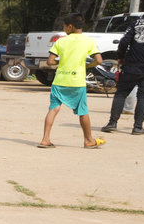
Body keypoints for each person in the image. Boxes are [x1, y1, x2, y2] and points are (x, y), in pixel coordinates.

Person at [38, 13, 103, 149]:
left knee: (53, 108)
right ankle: (88, 140)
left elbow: (50, 61)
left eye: (64, 26)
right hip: (76, 82)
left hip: (60, 80)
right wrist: (86, 65)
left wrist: (61, 61)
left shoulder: (61, 41)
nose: (64, 28)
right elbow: (98, 60)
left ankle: (45, 139)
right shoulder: (89, 41)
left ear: (70, 26)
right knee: (82, 111)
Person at [102, 10, 144, 135]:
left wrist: (120, 57)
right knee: (143, 97)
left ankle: (112, 123)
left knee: (121, 93)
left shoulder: (135, 23)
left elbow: (124, 42)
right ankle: (138, 127)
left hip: (130, 65)